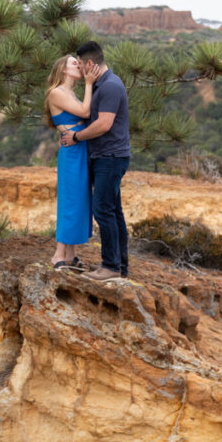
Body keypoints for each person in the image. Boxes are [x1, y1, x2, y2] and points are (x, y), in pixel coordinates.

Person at [61, 41, 131, 281]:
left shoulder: (110, 86)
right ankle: (119, 266)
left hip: (110, 158)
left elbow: (104, 124)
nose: (79, 69)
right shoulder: (102, 85)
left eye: (80, 64)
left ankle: (110, 267)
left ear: (90, 63)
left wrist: (76, 137)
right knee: (114, 212)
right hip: (106, 157)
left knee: (103, 210)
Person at [44, 55, 103, 270]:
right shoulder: (56, 93)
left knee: (80, 200)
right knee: (70, 200)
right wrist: (89, 83)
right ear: (62, 70)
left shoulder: (70, 94)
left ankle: (71, 253)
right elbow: (85, 113)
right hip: (72, 151)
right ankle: (58, 254)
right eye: (73, 63)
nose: (78, 65)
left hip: (80, 147)